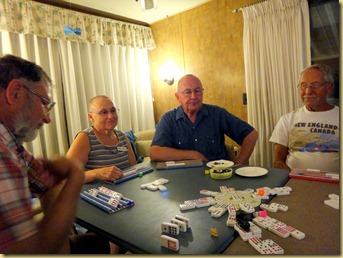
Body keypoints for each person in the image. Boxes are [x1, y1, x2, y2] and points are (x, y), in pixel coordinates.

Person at [0, 54, 111, 254]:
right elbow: (35, 251)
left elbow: (46, 185)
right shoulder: (2, 155)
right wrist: (75, 176)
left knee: (104, 242)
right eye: (44, 103)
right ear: (15, 93)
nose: (47, 118)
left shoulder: (13, 147)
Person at [150, 74, 258, 164]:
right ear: (178, 97)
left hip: (217, 178)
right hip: (182, 179)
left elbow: (251, 134)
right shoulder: (169, 119)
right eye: (187, 92)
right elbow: (155, 153)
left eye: (197, 91)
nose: (193, 96)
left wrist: (238, 165)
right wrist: (193, 155)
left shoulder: (217, 114)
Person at [269, 64, 339, 172]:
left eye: (314, 85)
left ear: (329, 87)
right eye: (303, 85)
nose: (307, 91)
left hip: (334, 184)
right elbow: (278, 162)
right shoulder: (287, 119)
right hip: (294, 182)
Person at [67, 95, 137, 183]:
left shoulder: (122, 136)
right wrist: (96, 173)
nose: (111, 116)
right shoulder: (85, 137)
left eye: (113, 110)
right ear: (91, 117)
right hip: (98, 194)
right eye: (104, 112)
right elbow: (67, 176)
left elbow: (134, 167)